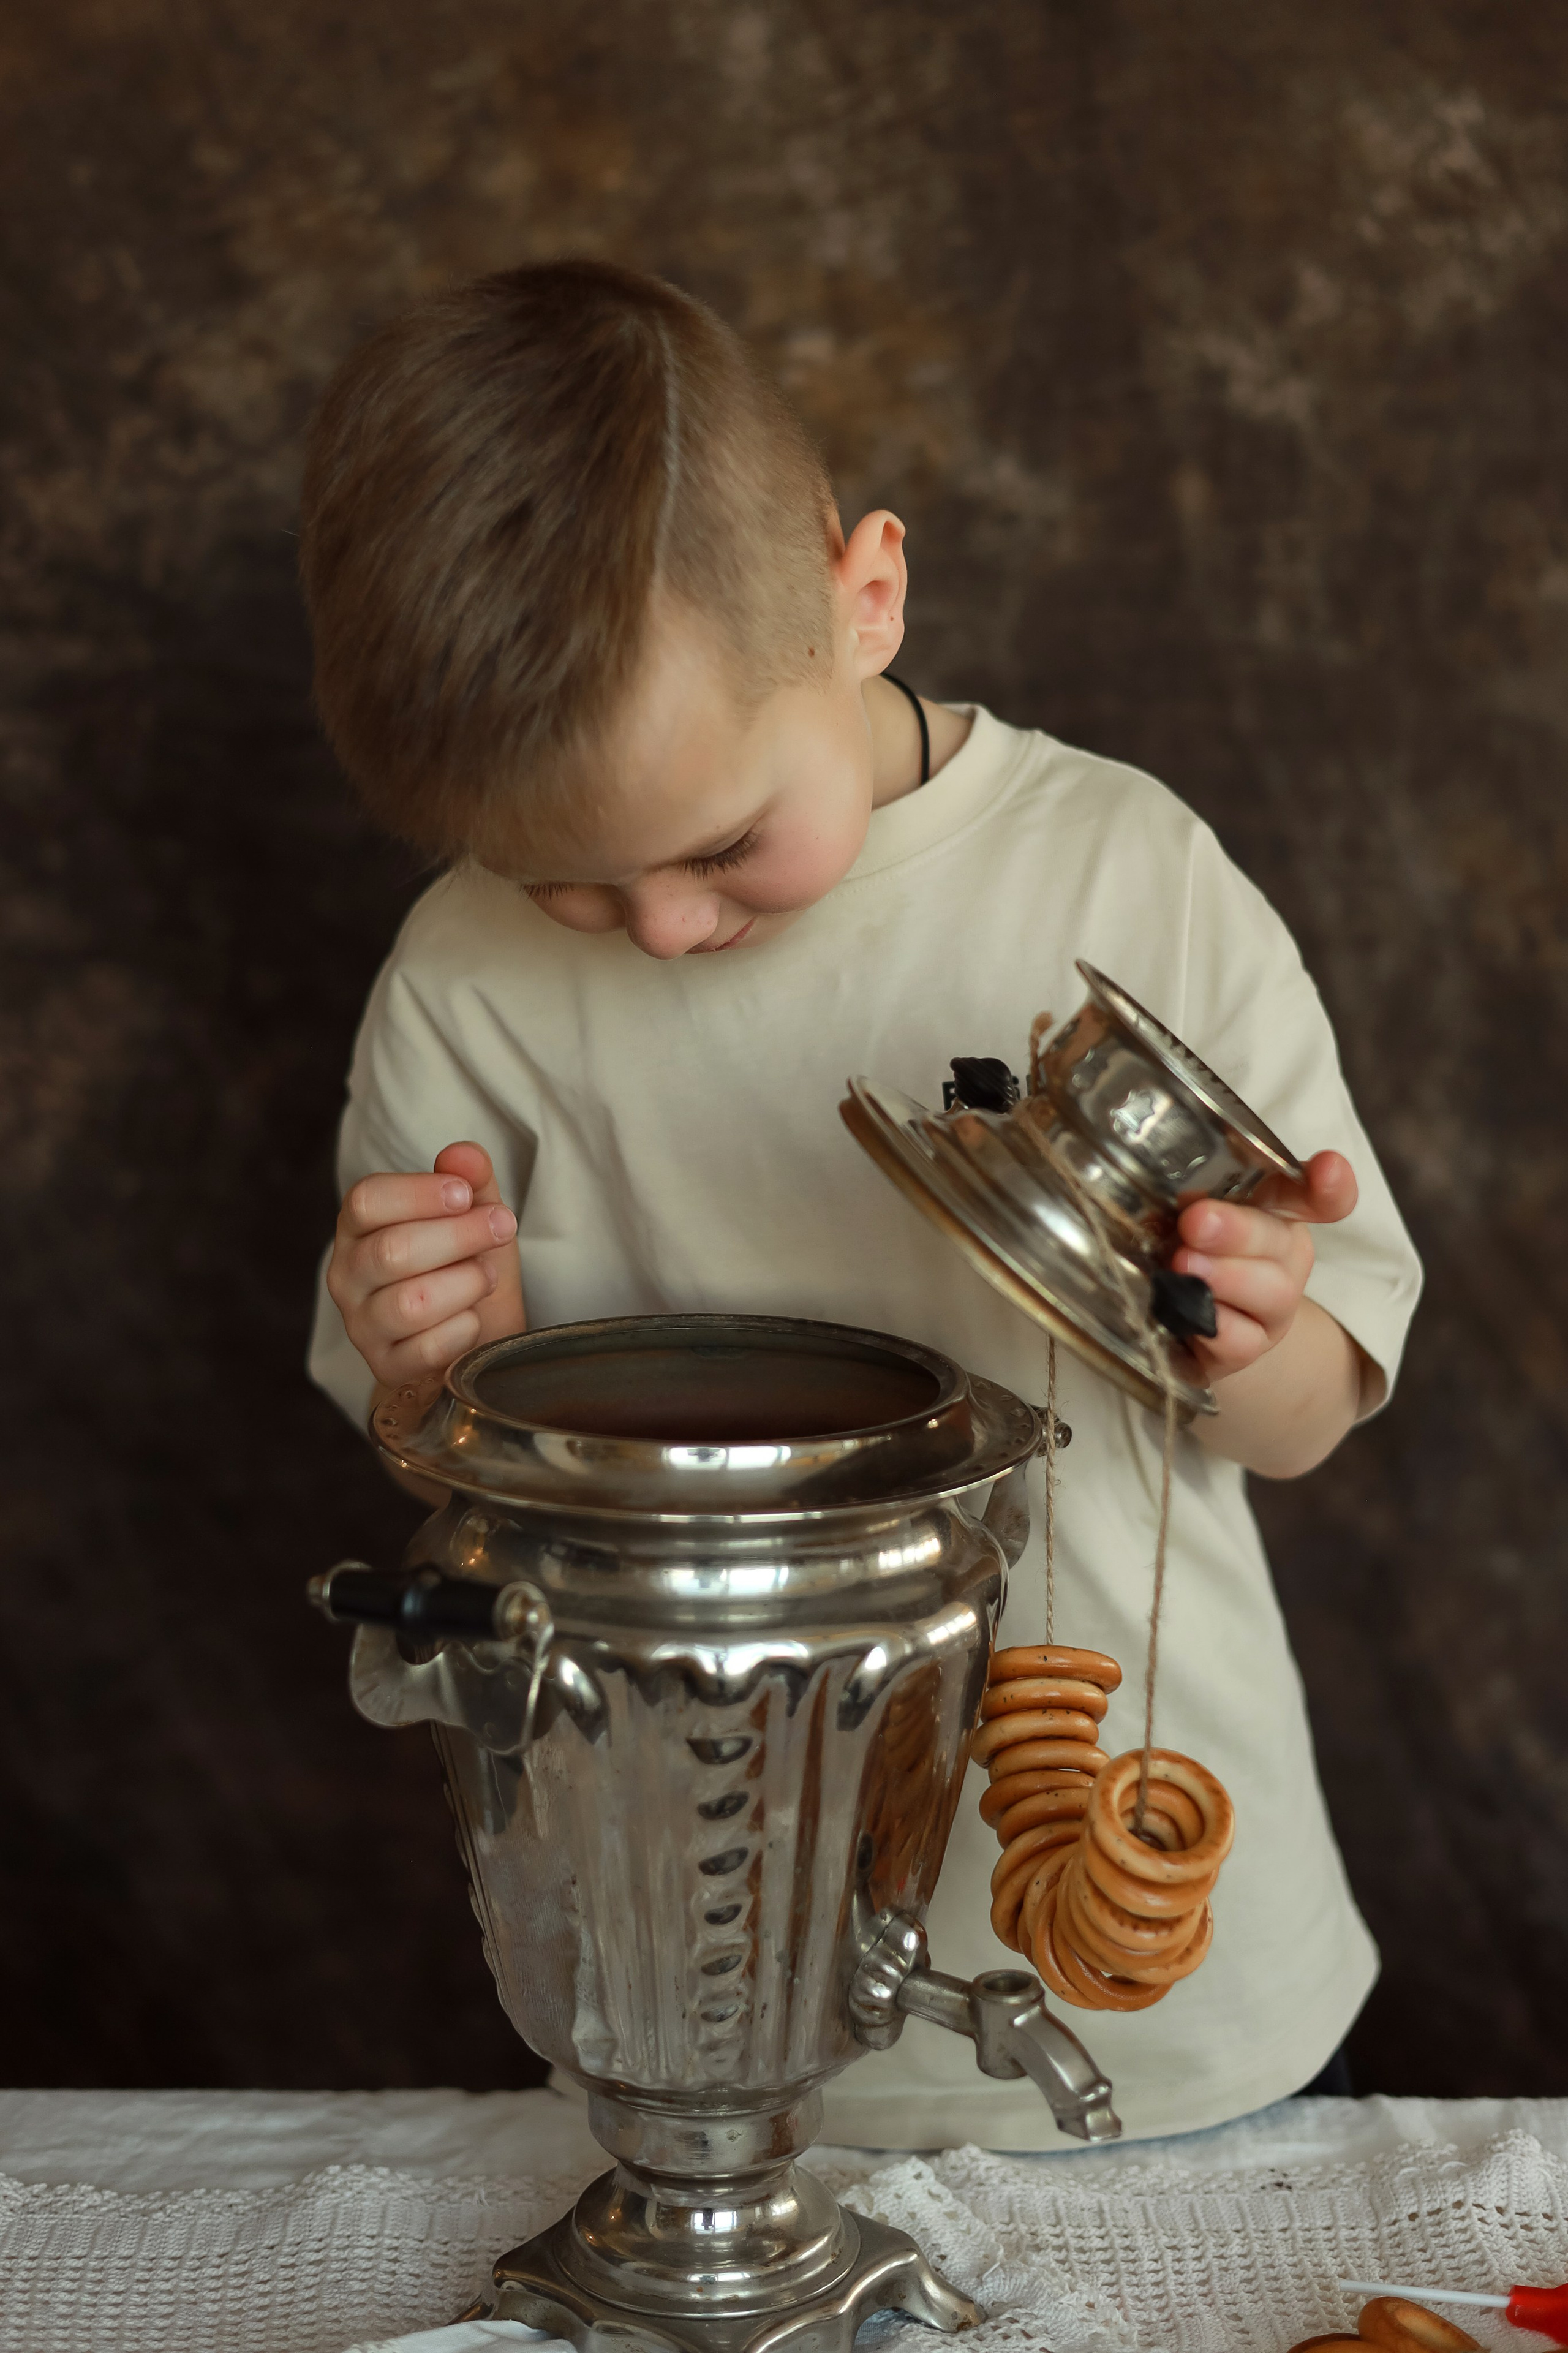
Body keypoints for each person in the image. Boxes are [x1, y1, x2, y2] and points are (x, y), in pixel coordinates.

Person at [301, 258, 1421, 2147]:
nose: (659, 926)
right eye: (568, 883)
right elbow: (442, 1458)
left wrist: (1245, 1319)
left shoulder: (1127, 874)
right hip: (710, 1945)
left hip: (1157, 1956)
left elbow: (1311, 1410)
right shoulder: (463, 979)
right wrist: (434, 1359)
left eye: (725, 842)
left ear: (865, 596)